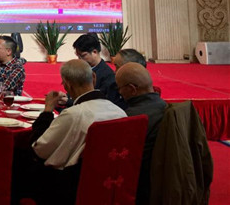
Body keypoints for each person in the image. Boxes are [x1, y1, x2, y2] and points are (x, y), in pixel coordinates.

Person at [21, 59, 127, 204]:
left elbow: (39, 150)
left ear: (67, 85)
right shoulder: (120, 112)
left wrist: (47, 111)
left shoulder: (74, 115)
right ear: (93, 78)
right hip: (111, 181)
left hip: (70, 185)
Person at [115, 62, 167, 205]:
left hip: (141, 186)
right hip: (168, 178)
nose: (119, 93)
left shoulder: (131, 118)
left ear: (132, 89)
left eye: (119, 88)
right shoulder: (167, 107)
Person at [73, 33, 125, 108]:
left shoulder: (108, 75)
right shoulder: (82, 69)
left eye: (83, 55)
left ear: (94, 52)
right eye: (78, 56)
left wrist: (68, 101)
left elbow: (102, 102)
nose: (80, 59)